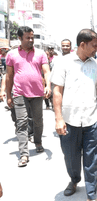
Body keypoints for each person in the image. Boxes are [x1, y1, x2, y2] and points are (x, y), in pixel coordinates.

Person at [51, 29, 97, 201]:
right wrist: (58, 118)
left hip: (91, 120)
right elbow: (57, 91)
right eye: (94, 45)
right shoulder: (63, 63)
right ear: (82, 44)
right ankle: (74, 180)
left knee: (92, 159)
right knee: (71, 158)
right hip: (69, 121)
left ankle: (91, 193)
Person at [5, 26, 51, 167]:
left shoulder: (40, 53)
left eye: (32, 37)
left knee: (38, 121)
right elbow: (9, 76)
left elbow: (46, 71)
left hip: (37, 93)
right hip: (19, 93)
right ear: (20, 38)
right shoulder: (12, 54)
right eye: (28, 37)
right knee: (22, 123)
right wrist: (8, 95)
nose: (31, 40)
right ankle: (24, 154)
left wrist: (47, 85)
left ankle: (37, 142)